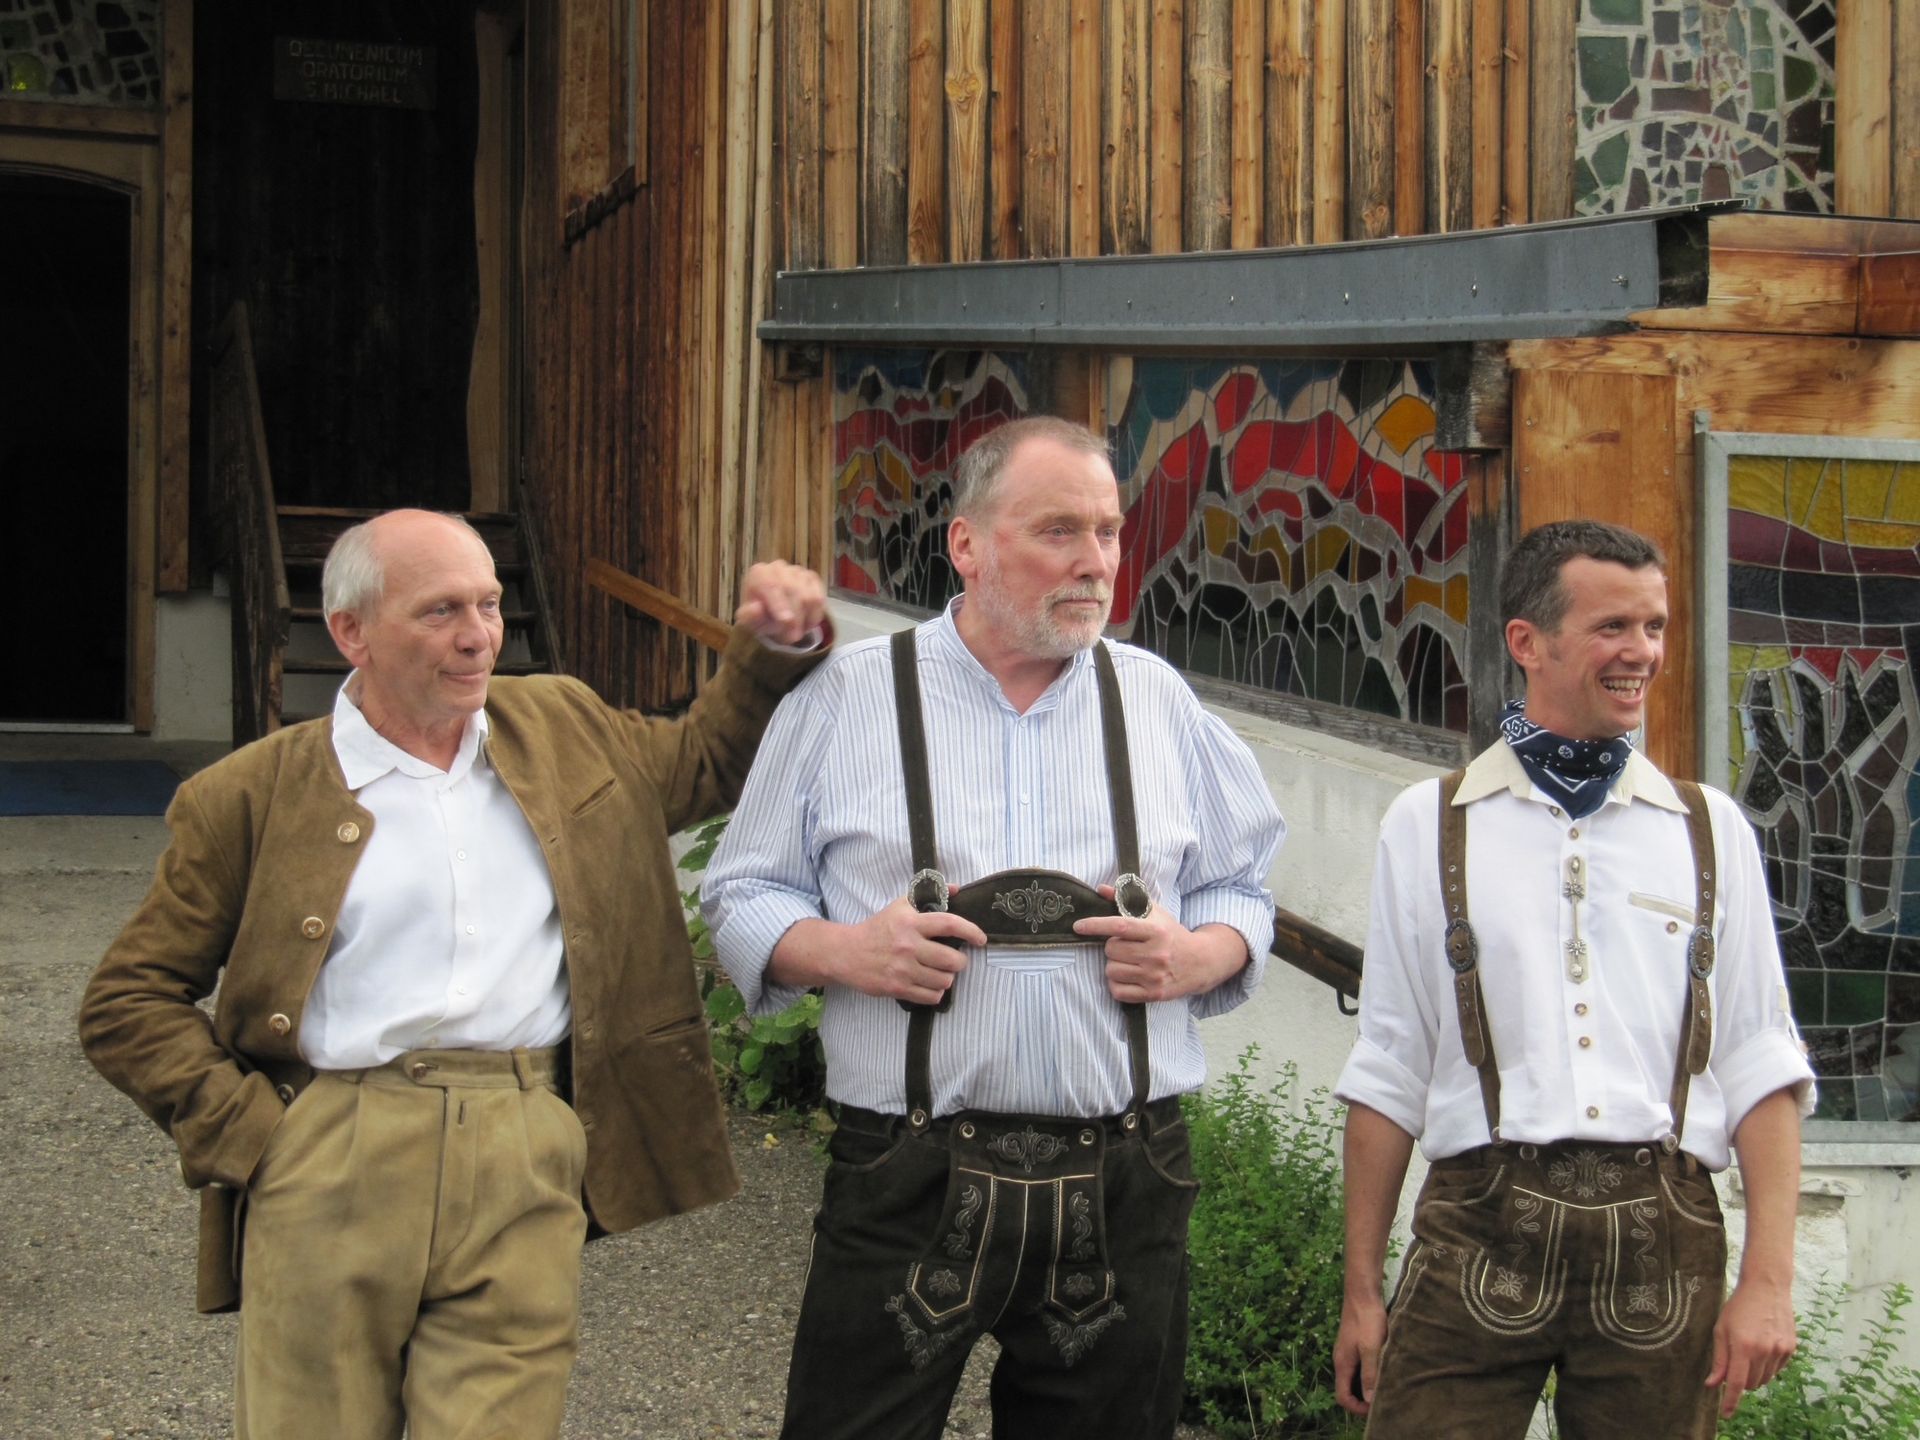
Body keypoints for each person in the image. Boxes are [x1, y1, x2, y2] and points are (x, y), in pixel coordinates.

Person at [79, 509, 828, 1439]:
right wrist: (255, 1136)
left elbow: (706, 760)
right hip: (334, 1150)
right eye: (440, 612)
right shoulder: (249, 795)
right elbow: (126, 1000)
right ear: (350, 631)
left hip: (524, 1146)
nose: (478, 637)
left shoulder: (564, 727)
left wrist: (768, 648)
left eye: (489, 604)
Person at [702, 416, 1286, 1439]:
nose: (1096, 561)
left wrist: (1204, 954)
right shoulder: (850, 696)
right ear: (967, 546)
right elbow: (742, 891)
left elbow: (1244, 883)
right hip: (904, 1174)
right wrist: (844, 950)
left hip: (1127, 1177)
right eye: (1060, 530)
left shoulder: (1159, 701)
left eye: (1107, 532)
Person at [1331, 520, 1815, 1439]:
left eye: (1656, 627)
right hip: (1478, 1218)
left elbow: (1760, 1061)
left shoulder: (1708, 831)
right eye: (1614, 628)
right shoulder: (1430, 824)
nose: (1644, 653)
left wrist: (1768, 1282)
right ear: (1528, 641)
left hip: (1663, 1237)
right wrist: (1361, 1292)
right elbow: (1390, 1066)